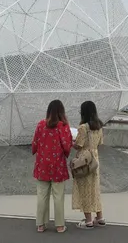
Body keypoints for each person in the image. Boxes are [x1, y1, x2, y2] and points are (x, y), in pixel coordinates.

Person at [32, 99, 73, 234]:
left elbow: (34, 144)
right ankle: (60, 225)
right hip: (57, 166)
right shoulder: (63, 126)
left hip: (42, 164)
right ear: (61, 111)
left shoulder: (40, 124)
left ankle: (41, 225)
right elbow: (67, 146)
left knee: (42, 195)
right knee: (58, 196)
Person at [72, 100, 105, 229]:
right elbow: (100, 143)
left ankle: (88, 221)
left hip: (84, 160)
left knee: (85, 189)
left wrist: (71, 142)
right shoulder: (99, 126)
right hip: (95, 159)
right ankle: (100, 217)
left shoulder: (83, 127)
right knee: (95, 189)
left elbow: (78, 145)